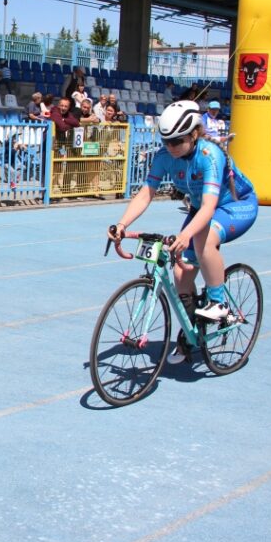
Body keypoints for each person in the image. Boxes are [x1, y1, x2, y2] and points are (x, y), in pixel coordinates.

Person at [108, 100, 258, 363]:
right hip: (200, 208)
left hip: (235, 205)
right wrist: (122, 225)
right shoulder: (165, 156)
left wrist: (186, 235)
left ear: (193, 134)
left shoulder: (210, 155)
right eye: (166, 141)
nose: (170, 147)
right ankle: (191, 335)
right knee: (181, 273)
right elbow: (146, 193)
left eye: (176, 141)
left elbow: (210, 207)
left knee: (203, 240)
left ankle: (218, 303)